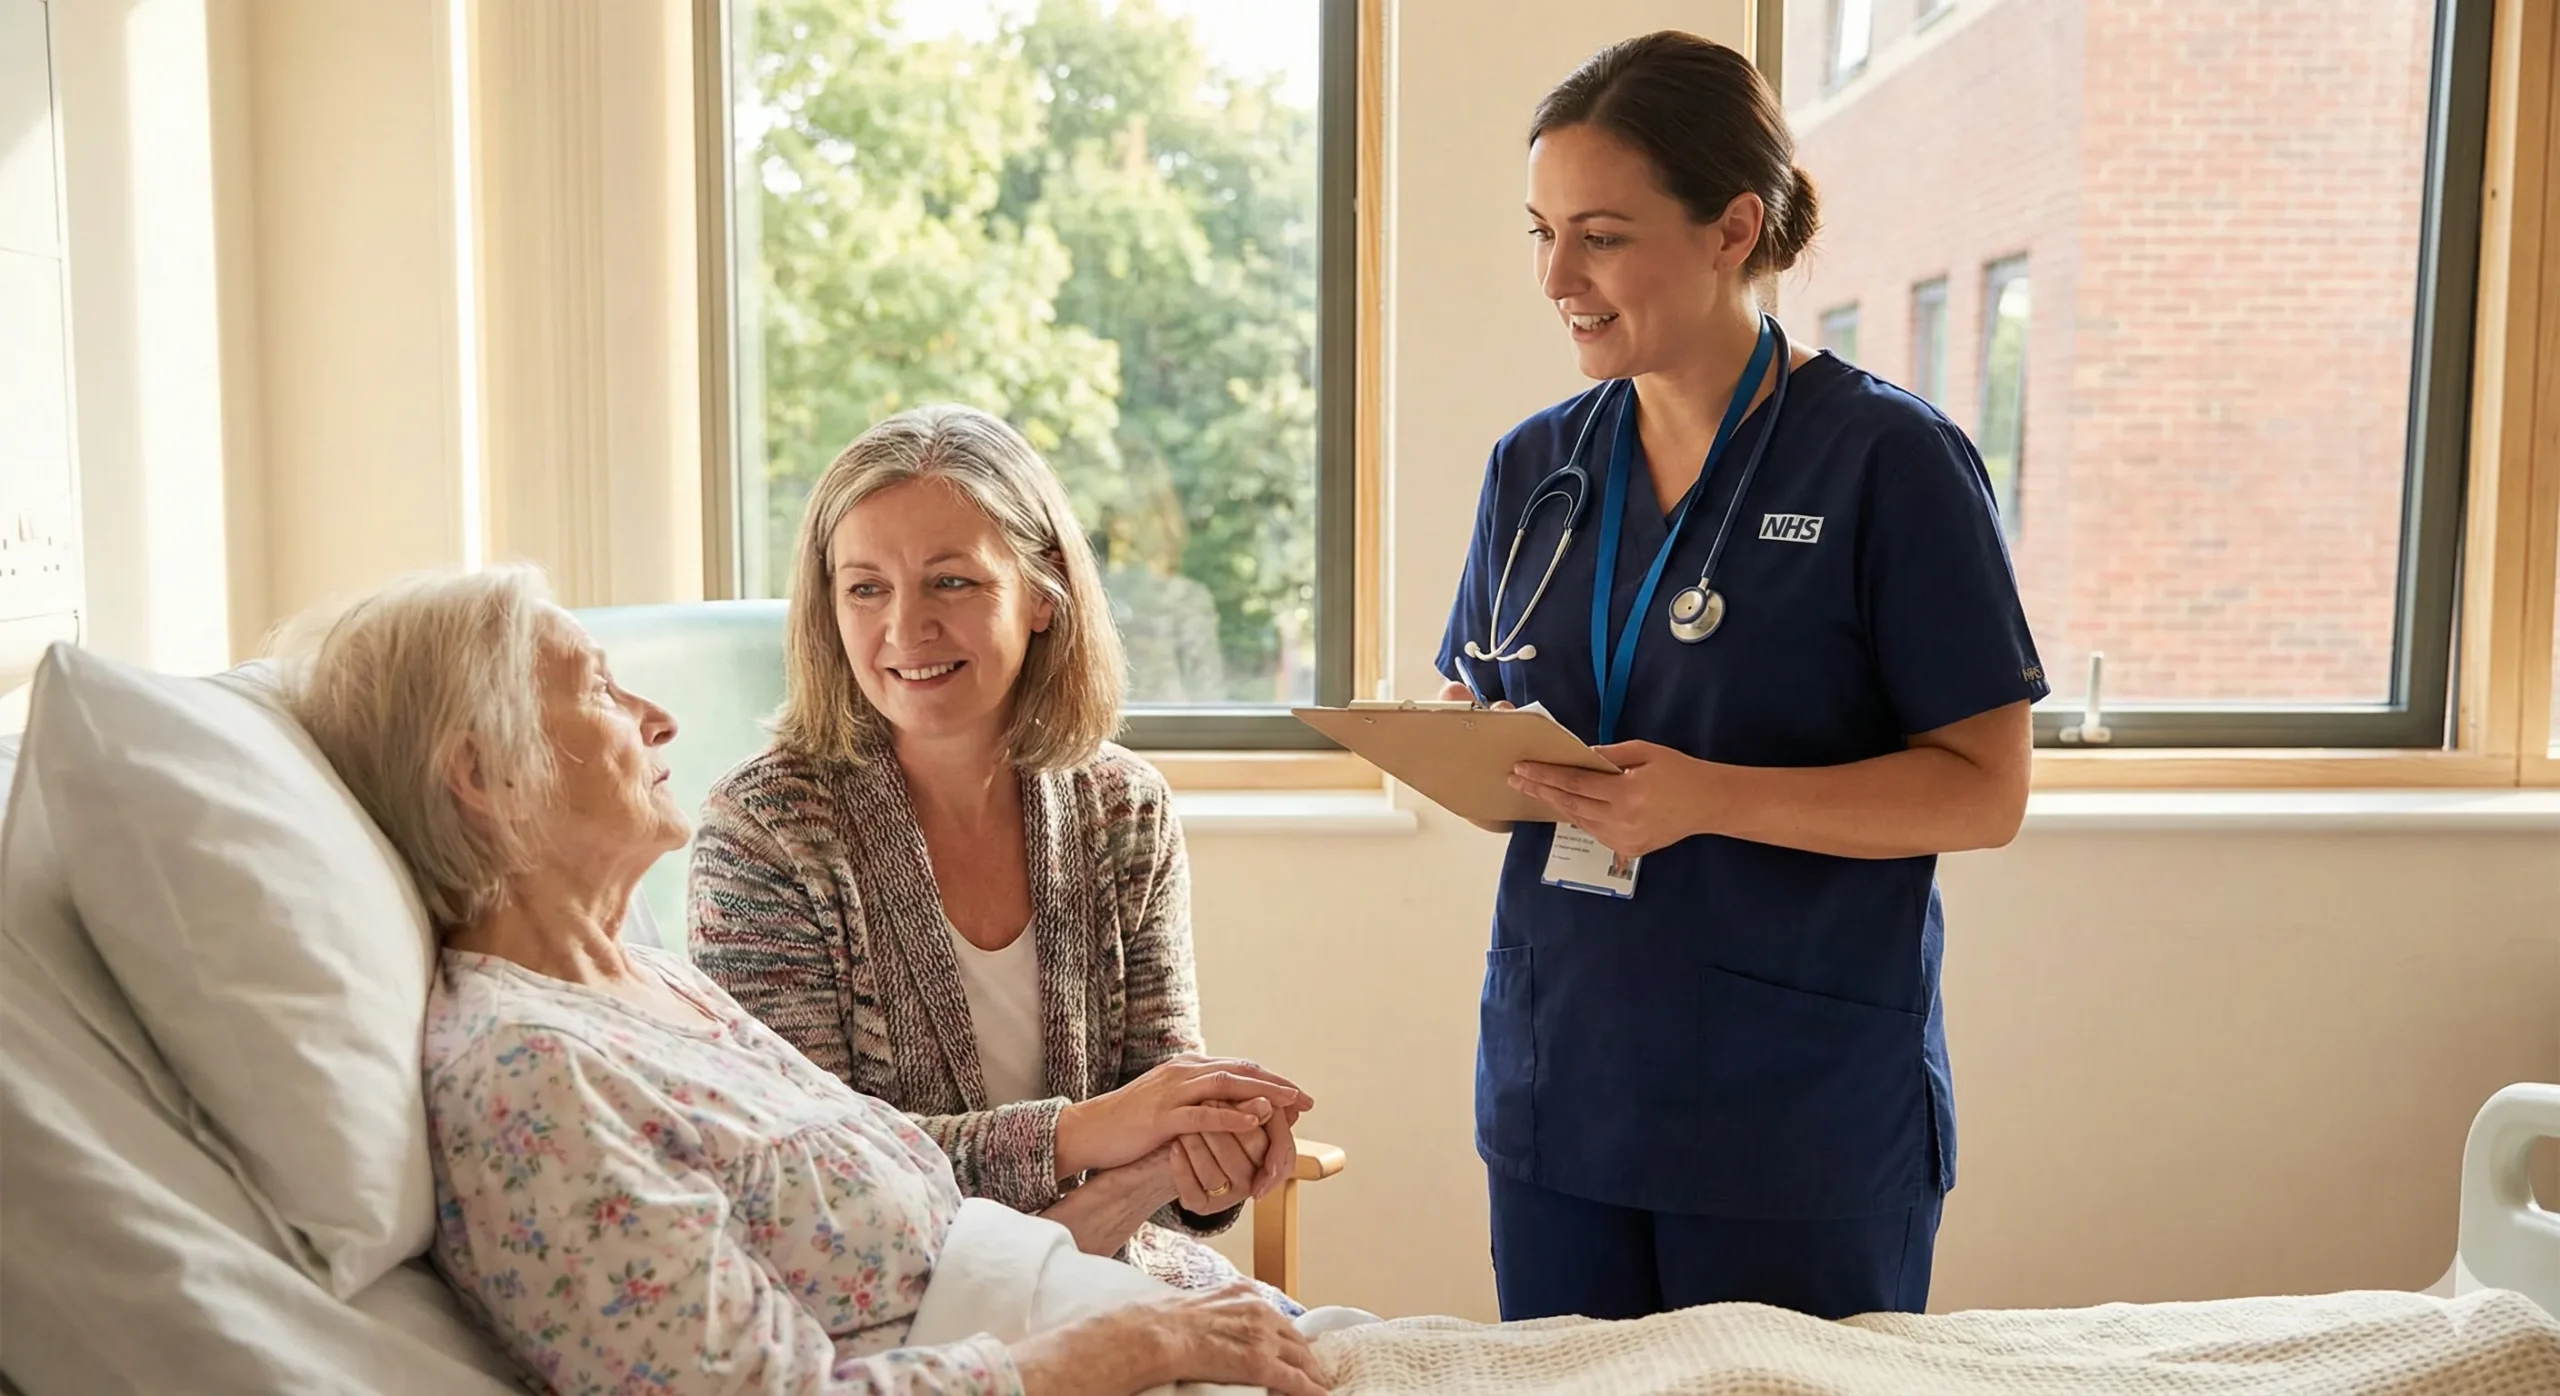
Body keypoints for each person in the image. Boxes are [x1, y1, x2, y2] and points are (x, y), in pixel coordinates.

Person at [279, 565, 1331, 1396]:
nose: (660, 719)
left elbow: (931, 1232)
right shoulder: (528, 1076)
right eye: (600, 688)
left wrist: (1165, 1170)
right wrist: (1129, 1345)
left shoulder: (648, 988)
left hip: (1107, 1308)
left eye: (953, 581)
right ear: (483, 772)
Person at [1434, 31, 2046, 1325]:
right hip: (1564, 1094)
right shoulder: (1533, 469)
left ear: (1732, 230)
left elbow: (1982, 794)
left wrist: (1709, 798)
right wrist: (1472, 758)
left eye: (1601, 234)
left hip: (1796, 1122)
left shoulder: (1892, 464)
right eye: (1541, 230)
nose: (1557, 276)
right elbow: (1487, 706)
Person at [689, 404, 1308, 1303]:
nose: (906, 628)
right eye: (866, 588)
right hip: (894, 1315)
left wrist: (1213, 1150)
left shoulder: (1124, 808)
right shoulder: (764, 831)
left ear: (1043, 594)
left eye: (951, 583)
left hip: (1128, 1283)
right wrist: (1088, 1139)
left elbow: (1163, 1131)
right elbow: (816, 1174)